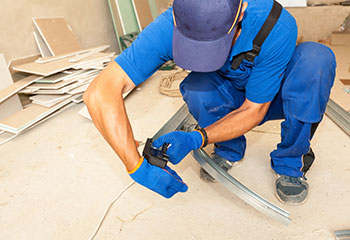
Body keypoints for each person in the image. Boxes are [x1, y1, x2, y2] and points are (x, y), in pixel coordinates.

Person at [84, 0, 336, 204]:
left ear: (241, 12)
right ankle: (228, 149)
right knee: (197, 87)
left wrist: (197, 138)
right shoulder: (171, 24)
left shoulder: (275, 24)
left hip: (272, 97)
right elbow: (99, 92)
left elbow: (254, 109)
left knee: (316, 61)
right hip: (231, 91)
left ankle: (291, 162)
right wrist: (135, 166)